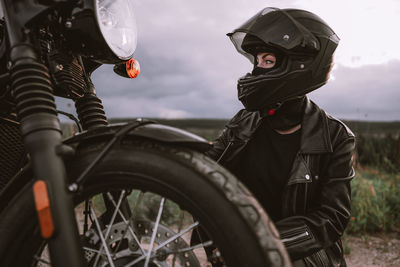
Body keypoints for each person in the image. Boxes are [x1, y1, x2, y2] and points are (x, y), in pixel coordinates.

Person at [206, 7, 356, 267]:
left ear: (299, 66)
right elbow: (206, 171)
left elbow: (332, 218)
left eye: (268, 61)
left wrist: (263, 241)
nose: (257, 71)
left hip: (302, 257)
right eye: (257, 62)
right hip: (240, 251)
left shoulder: (336, 136)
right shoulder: (243, 123)